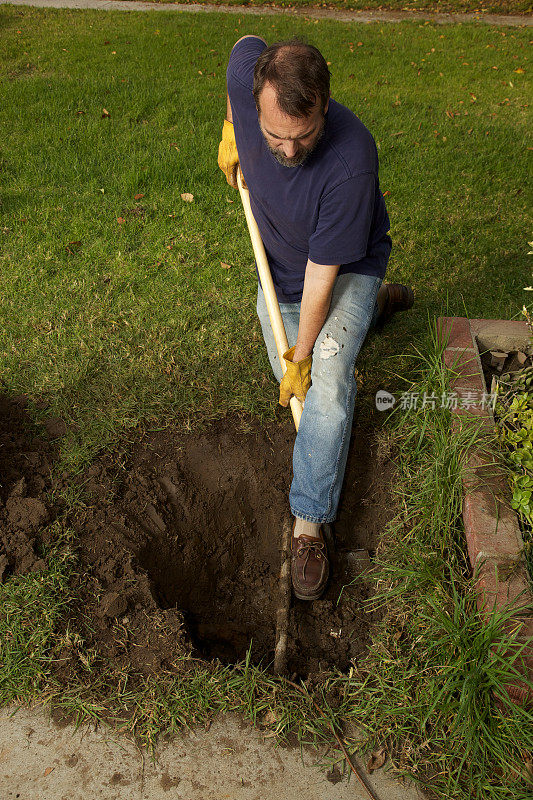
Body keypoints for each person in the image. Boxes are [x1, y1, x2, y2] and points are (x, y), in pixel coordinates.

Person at [218, 36, 413, 601]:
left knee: (324, 377)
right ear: (257, 101)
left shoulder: (351, 161)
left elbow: (321, 280)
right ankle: (367, 319)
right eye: (273, 135)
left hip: (342, 269)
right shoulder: (246, 78)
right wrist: (233, 133)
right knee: (295, 350)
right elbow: (241, 47)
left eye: (302, 137)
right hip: (278, 264)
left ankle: (309, 525)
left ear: (325, 106)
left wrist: (304, 358)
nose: (287, 149)